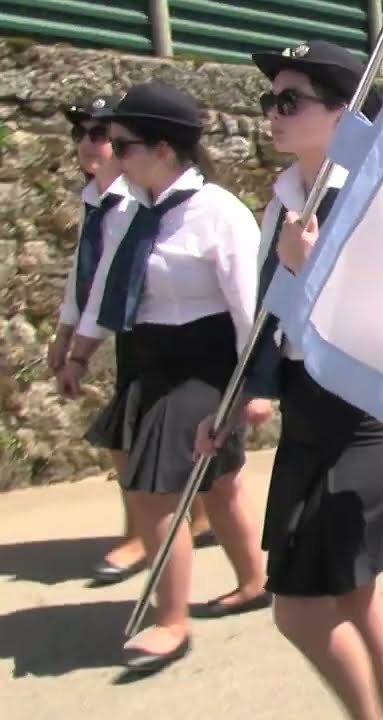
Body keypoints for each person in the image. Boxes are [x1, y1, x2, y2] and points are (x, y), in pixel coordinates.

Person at [196, 41, 383, 720]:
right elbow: (269, 318)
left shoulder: (381, 201)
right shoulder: (286, 198)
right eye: (271, 99)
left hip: (368, 414)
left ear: (343, 113)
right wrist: (235, 400)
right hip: (307, 409)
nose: (273, 112)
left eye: (291, 100)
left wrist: (313, 271)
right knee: (352, 594)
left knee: (297, 610)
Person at [60, 80, 272, 672]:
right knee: (220, 484)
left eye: (121, 143)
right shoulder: (135, 213)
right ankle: (255, 581)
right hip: (151, 360)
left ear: (163, 148)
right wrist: (79, 354)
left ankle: (170, 623)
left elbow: (249, 307)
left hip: (205, 366)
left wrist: (256, 389)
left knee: (153, 495)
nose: (111, 153)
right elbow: (106, 287)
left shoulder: (219, 214)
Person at [50, 93, 219, 585]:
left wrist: (81, 347)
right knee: (140, 435)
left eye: (102, 135)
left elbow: (115, 279)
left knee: (135, 438)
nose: (89, 143)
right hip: (120, 329)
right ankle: (194, 521)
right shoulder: (97, 199)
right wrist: (67, 328)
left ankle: (144, 537)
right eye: (80, 133)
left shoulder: (137, 201)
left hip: (149, 331)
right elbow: (86, 273)